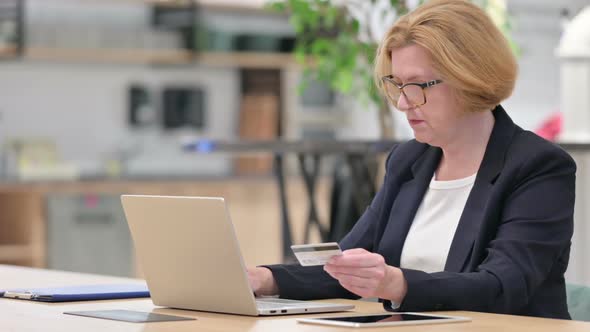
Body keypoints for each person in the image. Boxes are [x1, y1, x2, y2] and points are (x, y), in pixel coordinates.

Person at [248, 0, 576, 319]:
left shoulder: (538, 166)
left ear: (471, 77)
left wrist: (396, 283)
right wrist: (263, 279)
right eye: (397, 84)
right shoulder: (409, 160)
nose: (403, 102)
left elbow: (503, 286)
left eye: (418, 85)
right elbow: (346, 268)